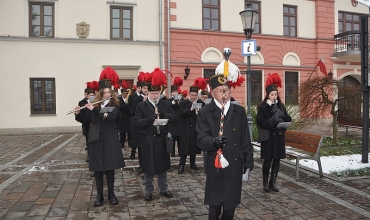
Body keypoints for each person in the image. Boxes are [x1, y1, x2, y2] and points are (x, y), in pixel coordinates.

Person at [196, 48, 254, 219]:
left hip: (235, 164)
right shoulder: (205, 112)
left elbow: (245, 139)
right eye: (221, 90)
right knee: (214, 206)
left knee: (230, 206)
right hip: (216, 164)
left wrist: (248, 164)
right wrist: (213, 142)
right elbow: (201, 138)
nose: (225, 94)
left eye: (226, 90)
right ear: (212, 92)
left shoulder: (239, 111)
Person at [75, 67, 125, 206]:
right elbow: (86, 121)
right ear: (101, 93)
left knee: (110, 168)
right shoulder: (94, 105)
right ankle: (99, 196)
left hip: (110, 138)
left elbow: (109, 118)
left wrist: (95, 111)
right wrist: (78, 113)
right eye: (105, 92)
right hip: (96, 139)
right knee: (98, 169)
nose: (107, 94)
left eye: (109, 92)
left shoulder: (115, 104)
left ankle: (111, 194)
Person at [134, 80, 178, 201]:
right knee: (148, 166)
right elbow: (137, 122)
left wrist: (164, 114)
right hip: (148, 140)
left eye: (157, 93)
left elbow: (175, 117)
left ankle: (164, 189)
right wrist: (149, 119)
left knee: (163, 165)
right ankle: (149, 190)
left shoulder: (166, 104)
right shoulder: (141, 106)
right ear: (148, 93)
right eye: (152, 93)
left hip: (162, 139)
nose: (155, 95)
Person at [256, 73, 292, 192]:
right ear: (267, 95)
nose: (274, 96)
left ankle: (273, 182)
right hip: (268, 138)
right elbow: (260, 122)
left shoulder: (280, 106)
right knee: (268, 160)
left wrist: (283, 117)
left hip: (278, 137)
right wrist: (272, 120)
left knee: (277, 160)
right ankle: (265, 182)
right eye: (272, 95)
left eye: (276, 94)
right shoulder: (262, 107)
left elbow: (288, 118)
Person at [178, 79, 206, 174]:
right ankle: (181, 164)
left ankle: (193, 163)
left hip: (195, 128)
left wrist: (199, 112)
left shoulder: (201, 103)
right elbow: (181, 113)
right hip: (185, 128)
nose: (194, 97)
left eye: (195, 95)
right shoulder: (184, 103)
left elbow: (204, 116)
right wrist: (191, 109)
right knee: (184, 147)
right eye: (192, 95)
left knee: (194, 146)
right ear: (189, 94)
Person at [168, 77, 183, 157]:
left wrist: (179, 102)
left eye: (175, 91)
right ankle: (173, 152)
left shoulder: (181, 100)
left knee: (179, 138)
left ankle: (180, 151)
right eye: (173, 92)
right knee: (173, 138)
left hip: (179, 121)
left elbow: (181, 108)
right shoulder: (169, 100)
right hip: (172, 122)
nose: (174, 93)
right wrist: (172, 102)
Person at [118, 81, 132, 149]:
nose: (125, 94)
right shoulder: (119, 99)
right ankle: (121, 143)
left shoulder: (129, 99)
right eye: (124, 93)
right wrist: (126, 105)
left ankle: (130, 143)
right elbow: (119, 107)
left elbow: (131, 106)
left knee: (129, 132)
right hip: (122, 117)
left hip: (128, 117)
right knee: (122, 132)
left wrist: (127, 106)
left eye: (126, 93)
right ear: (121, 93)